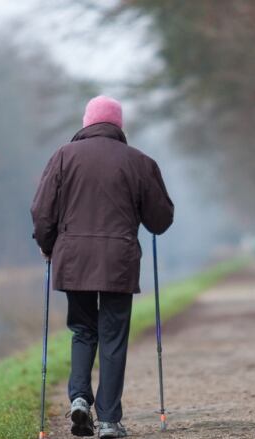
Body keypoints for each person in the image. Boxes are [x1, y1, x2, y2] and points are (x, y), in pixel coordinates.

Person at [31, 95, 174, 438]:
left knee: (83, 330)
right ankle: (109, 420)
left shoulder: (63, 156)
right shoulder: (139, 162)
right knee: (113, 336)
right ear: (118, 125)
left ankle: (79, 399)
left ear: (87, 123)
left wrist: (47, 245)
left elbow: (41, 211)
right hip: (118, 262)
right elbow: (160, 219)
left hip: (74, 258)